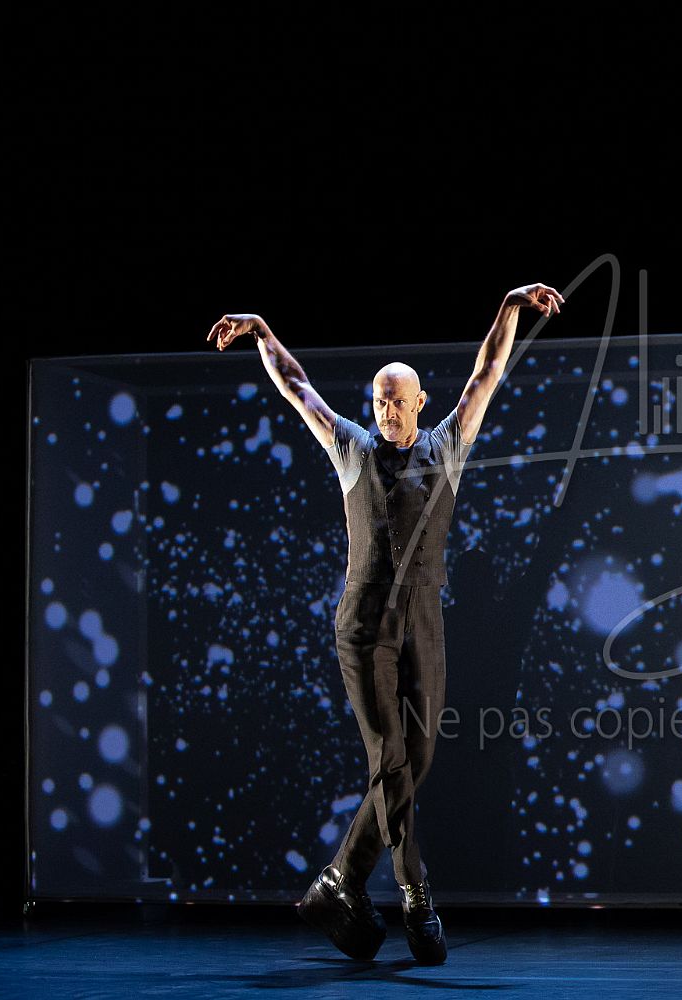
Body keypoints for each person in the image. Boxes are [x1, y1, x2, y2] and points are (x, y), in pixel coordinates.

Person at [205, 283, 565, 963]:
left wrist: (511, 305)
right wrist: (261, 331)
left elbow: (487, 372)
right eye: (379, 402)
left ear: (420, 403)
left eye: (398, 402)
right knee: (389, 756)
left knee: (417, 757)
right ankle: (414, 891)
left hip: (422, 623)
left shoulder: (447, 445)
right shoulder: (351, 448)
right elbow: (299, 389)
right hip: (364, 627)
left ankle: (340, 878)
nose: (387, 412)